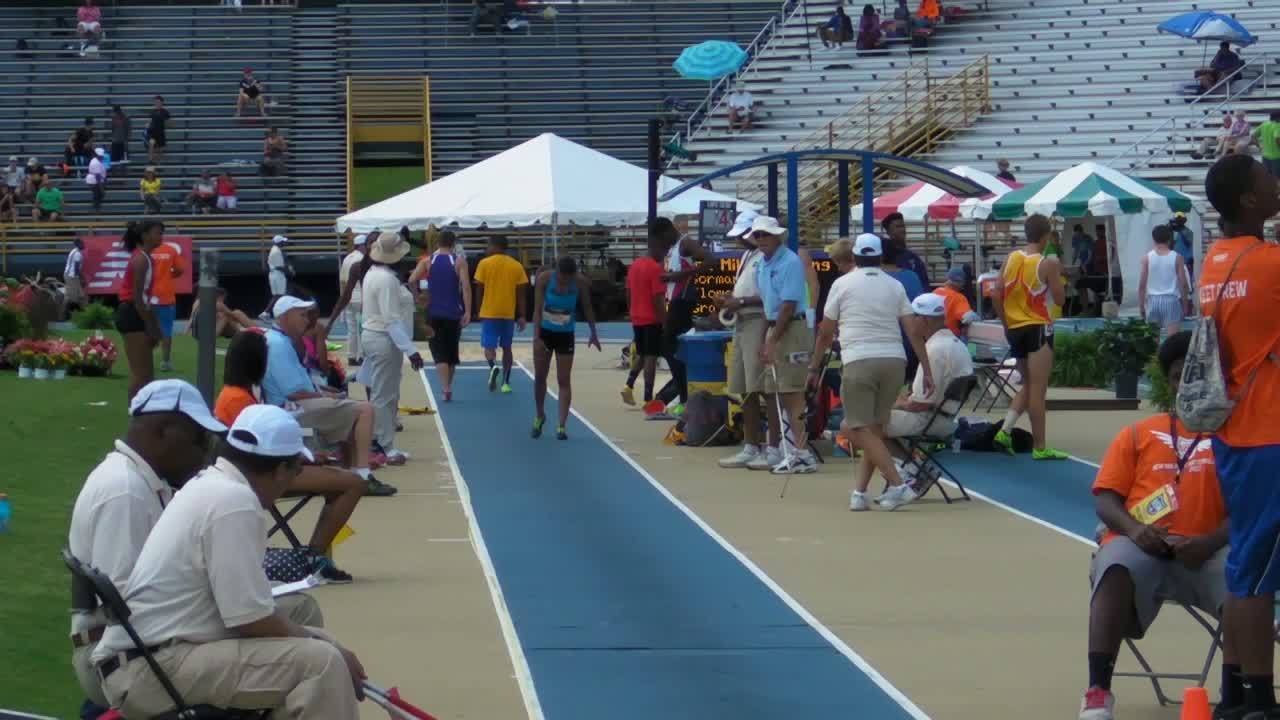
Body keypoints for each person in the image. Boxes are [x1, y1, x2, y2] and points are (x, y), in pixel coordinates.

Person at [93, 404, 366, 719]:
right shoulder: (234, 502)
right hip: (151, 671)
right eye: (296, 470)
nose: (294, 479)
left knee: (320, 648)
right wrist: (327, 647)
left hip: (148, 659)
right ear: (280, 470)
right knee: (322, 664)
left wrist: (322, 640)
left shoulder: (212, 485)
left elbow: (244, 611)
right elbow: (250, 618)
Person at [1077, 331, 1231, 720]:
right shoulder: (1137, 433)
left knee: (1244, 573)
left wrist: (1209, 541)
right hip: (1143, 545)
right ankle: (1098, 690)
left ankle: (1238, 692)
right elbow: (1106, 499)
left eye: (1197, 374)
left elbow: (1251, 508)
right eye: (1180, 374)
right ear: (1170, 380)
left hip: (1210, 551)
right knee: (1115, 563)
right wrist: (1135, 530)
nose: (1187, 382)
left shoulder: (1235, 438)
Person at [68, 379, 229, 708]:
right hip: (123, 660)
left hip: (136, 648)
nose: (205, 453)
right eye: (200, 439)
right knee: (279, 654)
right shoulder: (125, 491)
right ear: (163, 432)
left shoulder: (140, 481)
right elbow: (128, 609)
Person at [1196, 153, 1280, 719]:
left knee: (1246, 564)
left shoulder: (1215, 262)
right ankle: (1257, 700)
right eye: (1267, 179)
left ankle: (1238, 692)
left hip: (1235, 428)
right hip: (1270, 428)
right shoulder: (1271, 261)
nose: (1276, 183)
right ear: (1250, 200)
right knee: (1256, 570)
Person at [214, 331, 367, 578]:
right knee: (353, 483)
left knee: (339, 479)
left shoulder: (237, 394)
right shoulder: (239, 399)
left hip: (268, 470)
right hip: (264, 475)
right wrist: (302, 460)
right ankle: (314, 556)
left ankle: (315, 554)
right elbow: (259, 453)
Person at [812, 233, 930, 508]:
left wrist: (813, 366)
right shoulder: (895, 285)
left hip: (859, 359)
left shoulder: (842, 284)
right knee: (874, 429)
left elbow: (825, 332)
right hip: (894, 361)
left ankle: (899, 481)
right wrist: (926, 367)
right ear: (878, 256)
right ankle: (860, 493)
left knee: (854, 427)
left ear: (855, 256)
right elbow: (912, 330)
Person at [264, 295, 392, 492]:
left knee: (351, 408)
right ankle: (363, 475)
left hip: (293, 406)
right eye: (302, 315)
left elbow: (301, 385)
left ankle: (352, 474)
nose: (307, 320)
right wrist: (326, 397)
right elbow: (294, 392)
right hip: (291, 410)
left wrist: (327, 392)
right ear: (285, 317)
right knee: (365, 410)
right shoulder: (279, 345)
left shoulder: (280, 340)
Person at [991, 213, 1069, 460]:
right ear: (1046, 236)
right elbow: (1060, 299)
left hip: (1014, 327)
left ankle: (1005, 431)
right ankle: (1040, 446)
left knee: (1027, 384)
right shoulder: (1047, 263)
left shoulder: (1011, 257)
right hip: (1037, 327)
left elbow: (995, 293)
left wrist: (1006, 324)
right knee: (1038, 390)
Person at [883, 293, 973, 489]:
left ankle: (914, 470)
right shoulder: (956, 344)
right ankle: (913, 468)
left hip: (930, 419)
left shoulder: (933, 350)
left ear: (922, 319)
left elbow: (919, 404)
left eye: (911, 316)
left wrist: (895, 403)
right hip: (944, 417)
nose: (907, 322)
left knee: (866, 426)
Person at [717, 210, 784, 471]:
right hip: (743, 323)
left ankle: (773, 447)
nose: (742, 240)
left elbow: (773, 295)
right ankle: (751, 444)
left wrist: (741, 301)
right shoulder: (748, 255)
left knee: (764, 388)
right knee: (745, 387)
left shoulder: (770, 259)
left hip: (758, 320)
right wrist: (730, 300)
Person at [750, 215, 817, 475]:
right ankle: (788, 449)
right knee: (778, 391)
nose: (761, 239)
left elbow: (788, 305)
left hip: (793, 329)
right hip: (778, 328)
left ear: (778, 236)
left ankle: (801, 452)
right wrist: (765, 339)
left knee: (792, 392)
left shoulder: (789, 262)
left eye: (766, 234)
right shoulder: (762, 265)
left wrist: (771, 340)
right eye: (758, 235)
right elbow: (769, 305)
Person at [360, 232, 425, 462]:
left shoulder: (374, 273)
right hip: (383, 338)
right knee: (384, 396)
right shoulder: (385, 279)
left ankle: (381, 443)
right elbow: (391, 320)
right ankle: (382, 446)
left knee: (385, 393)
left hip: (377, 337)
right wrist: (412, 350)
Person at [530, 257, 601, 440]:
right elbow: (537, 309)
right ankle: (540, 415)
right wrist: (536, 337)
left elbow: (587, 307)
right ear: (556, 272)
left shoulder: (580, 283)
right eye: (561, 279)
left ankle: (561, 425)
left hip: (565, 335)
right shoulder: (545, 279)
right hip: (545, 333)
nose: (564, 283)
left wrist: (594, 332)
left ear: (574, 275)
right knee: (540, 377)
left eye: (568, 280)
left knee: (564, 379)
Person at [410, 231, 471, 402]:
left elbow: (411, 280)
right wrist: (468, 311)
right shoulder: (459, 261)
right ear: (453, 244)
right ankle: (447, 386)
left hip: (434, 312)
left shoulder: (427, 261)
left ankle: (445, 388)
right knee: (451, 352)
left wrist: (416, 297)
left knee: (438, 351)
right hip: (454, 312)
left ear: (438, 243)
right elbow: (466, 288)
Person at [114, 221, 164, 401]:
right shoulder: (141, 259)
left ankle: (140, 417)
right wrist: (153, 327)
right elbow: (139, 299)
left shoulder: (145, 258)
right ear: (145, 236)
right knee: (141, 375)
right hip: (132, 315)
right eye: (157, 233)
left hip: (135, 313)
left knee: (147, 376)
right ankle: (134, 418)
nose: (161, 237)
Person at [473, 236, 527, 394]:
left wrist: (478, 311)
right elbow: (521, 294)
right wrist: (522, 315)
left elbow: (479, 289)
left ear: (493, 246)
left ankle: (493, 366)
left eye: (488, 245)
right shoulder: (516, 266)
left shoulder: (484, 264)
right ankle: (506, 382)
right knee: (507, 347)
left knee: (489, 346)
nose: (487, 249)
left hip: (489, 312)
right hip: (508, 314)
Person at [622, 232, 667, 408]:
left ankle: (628, 385)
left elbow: (628, 292)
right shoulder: (656, 268)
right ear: (657, 247)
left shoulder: (634, 265)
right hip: (651, 318)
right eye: (664, 250)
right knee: (650, 357)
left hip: (637, 316)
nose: (665, 254)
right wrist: (663, 321)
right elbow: (658, 298)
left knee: (641, 353)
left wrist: (631, 310)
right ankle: (648, 398)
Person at [1138, 226, 1190, 339]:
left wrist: (1141, 306)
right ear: (1170, 239)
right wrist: (1185, 305)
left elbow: (1142, 285)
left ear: (1153, 239)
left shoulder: (1147, 258)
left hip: (1153, 301)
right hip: (1171, 300)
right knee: (1173, 341)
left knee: (1152, 342)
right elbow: (1183, 284)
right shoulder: (1177, 257)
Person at [148, 236, 185, 372]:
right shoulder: (170, 250)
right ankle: (165, 362)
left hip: (149, 296)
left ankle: (146, 359)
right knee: (166, 330)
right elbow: (180, 269)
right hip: (166, 297)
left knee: (148, 329)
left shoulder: (147, 250)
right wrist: (170, 276)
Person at [338, 232, 367, 367]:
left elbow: (343, 281)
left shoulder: (347, 258)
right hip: (360, 297)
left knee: (351, 329)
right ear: (362, 246)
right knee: (362, 329)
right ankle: (361, 356)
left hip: (349, 297)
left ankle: (351, 356)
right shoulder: (363, 259)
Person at [881, 212, 929, 291]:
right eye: (898, 227)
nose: (902, 229)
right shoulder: (885, 256)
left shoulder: (913, 257)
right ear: (888, 231)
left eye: (903, 226)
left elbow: (924, 283)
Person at [187, 287, 254, 338]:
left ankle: (248, 331)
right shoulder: (218, 304)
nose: (223, 301)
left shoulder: (197, 302)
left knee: (225, 315)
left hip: (202, 331)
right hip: (209, 334)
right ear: (219, 297)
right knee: (235, 313)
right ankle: (252, 331)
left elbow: (191, 319)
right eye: (223, 299)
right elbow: (234, 315)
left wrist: (187, 332)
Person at [932, 266, 976, 338]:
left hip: (932, 338)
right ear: (960, 283)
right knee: (972, 345)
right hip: (951, 338)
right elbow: (968, 318)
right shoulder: (958, 298)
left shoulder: (935, 292)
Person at [266, 234, 290, 315]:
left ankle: (269, 313)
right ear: (279, 243)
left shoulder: (273, 249)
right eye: (283, 241)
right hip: (278, 275)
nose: (284, 243)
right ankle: (268, 312)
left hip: (273, 274)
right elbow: (280, 267)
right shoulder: (277, 251)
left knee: (277, 296)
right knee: (280, 295)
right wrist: (290, 271)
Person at [1170, 212, 1195, 278]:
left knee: (1188, 281)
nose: (1177, 223)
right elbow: (1171, 246)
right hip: (1176, 262)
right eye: (1176, 220)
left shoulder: (1188, 231)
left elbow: (1188, 243)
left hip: (1187, 262)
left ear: (1183, 221)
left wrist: (1180, 230)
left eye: (1179, 220)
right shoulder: (1176, 233)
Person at [1255, 110, 1280, 177]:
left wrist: (1259, 146)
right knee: (1276, 178)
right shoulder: (1278, 125)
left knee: (1267, 177)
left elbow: (1253, 136)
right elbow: (1277, 138)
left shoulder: (1264, 124)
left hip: (1265, 156)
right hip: (1276, 157)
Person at [147, 96, 170, 164]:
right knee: (151, 144)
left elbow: (169, 122)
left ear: (162, 103)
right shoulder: (152, 111)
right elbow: (150, 121)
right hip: (152, 133)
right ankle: (150, 160)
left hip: (160, 133)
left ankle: (156, 162)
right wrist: (148, 125)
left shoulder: (165, 112)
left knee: (160, 150)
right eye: (155, 102)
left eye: (158, 102)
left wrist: (166, 124)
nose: (157, 103)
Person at [86, 147, 107, 212]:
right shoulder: (95, 163)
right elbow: (97, 177)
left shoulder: (97, 161)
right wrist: (102, 189)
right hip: (94, 181)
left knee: (98, 195)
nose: (101, 157)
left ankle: (96, 210)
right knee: (97, 194)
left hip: (97, 180)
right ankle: (96, 211)